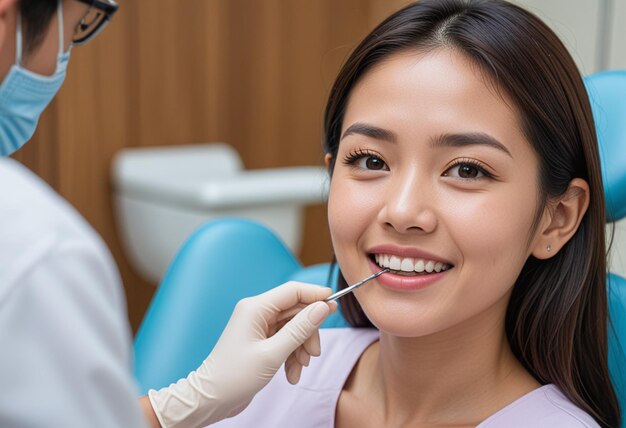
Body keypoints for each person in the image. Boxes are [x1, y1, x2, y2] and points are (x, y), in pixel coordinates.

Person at [207, 0, 622, 427]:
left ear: (558, 217)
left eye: (466, 169)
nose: (403, 212)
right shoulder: (268, 380)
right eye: (371, 161)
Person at [0, 1, 335, 427]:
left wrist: (186, 402)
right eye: (79, 23)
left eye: (452, 169)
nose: (402, 213)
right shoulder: (37, 256)